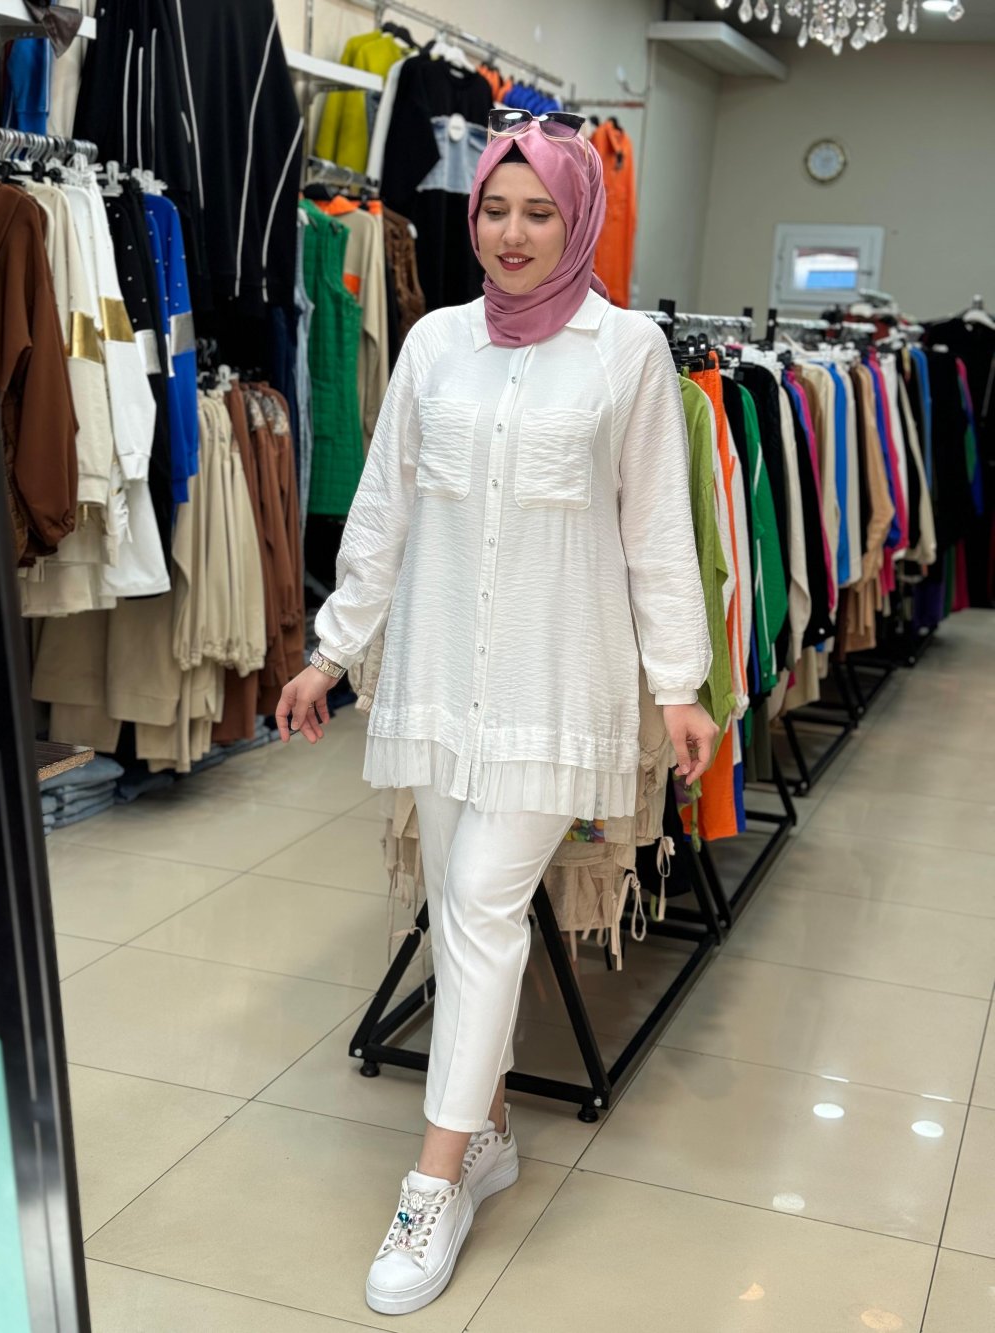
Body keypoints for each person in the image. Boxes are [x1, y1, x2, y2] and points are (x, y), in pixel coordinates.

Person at [275, 108, 718, 1318]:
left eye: (539, 212)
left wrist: (678, 684)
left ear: (579, 220)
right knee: (457, 900)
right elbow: (384, 510)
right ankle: (486, 1129)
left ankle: (432, 1185)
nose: (512, 234)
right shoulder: (434, 343)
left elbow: (655, 529)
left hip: (551, 679)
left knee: (477, 902)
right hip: (434, 676)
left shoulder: (626, 351)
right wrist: (330, 652)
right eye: (493, 209)